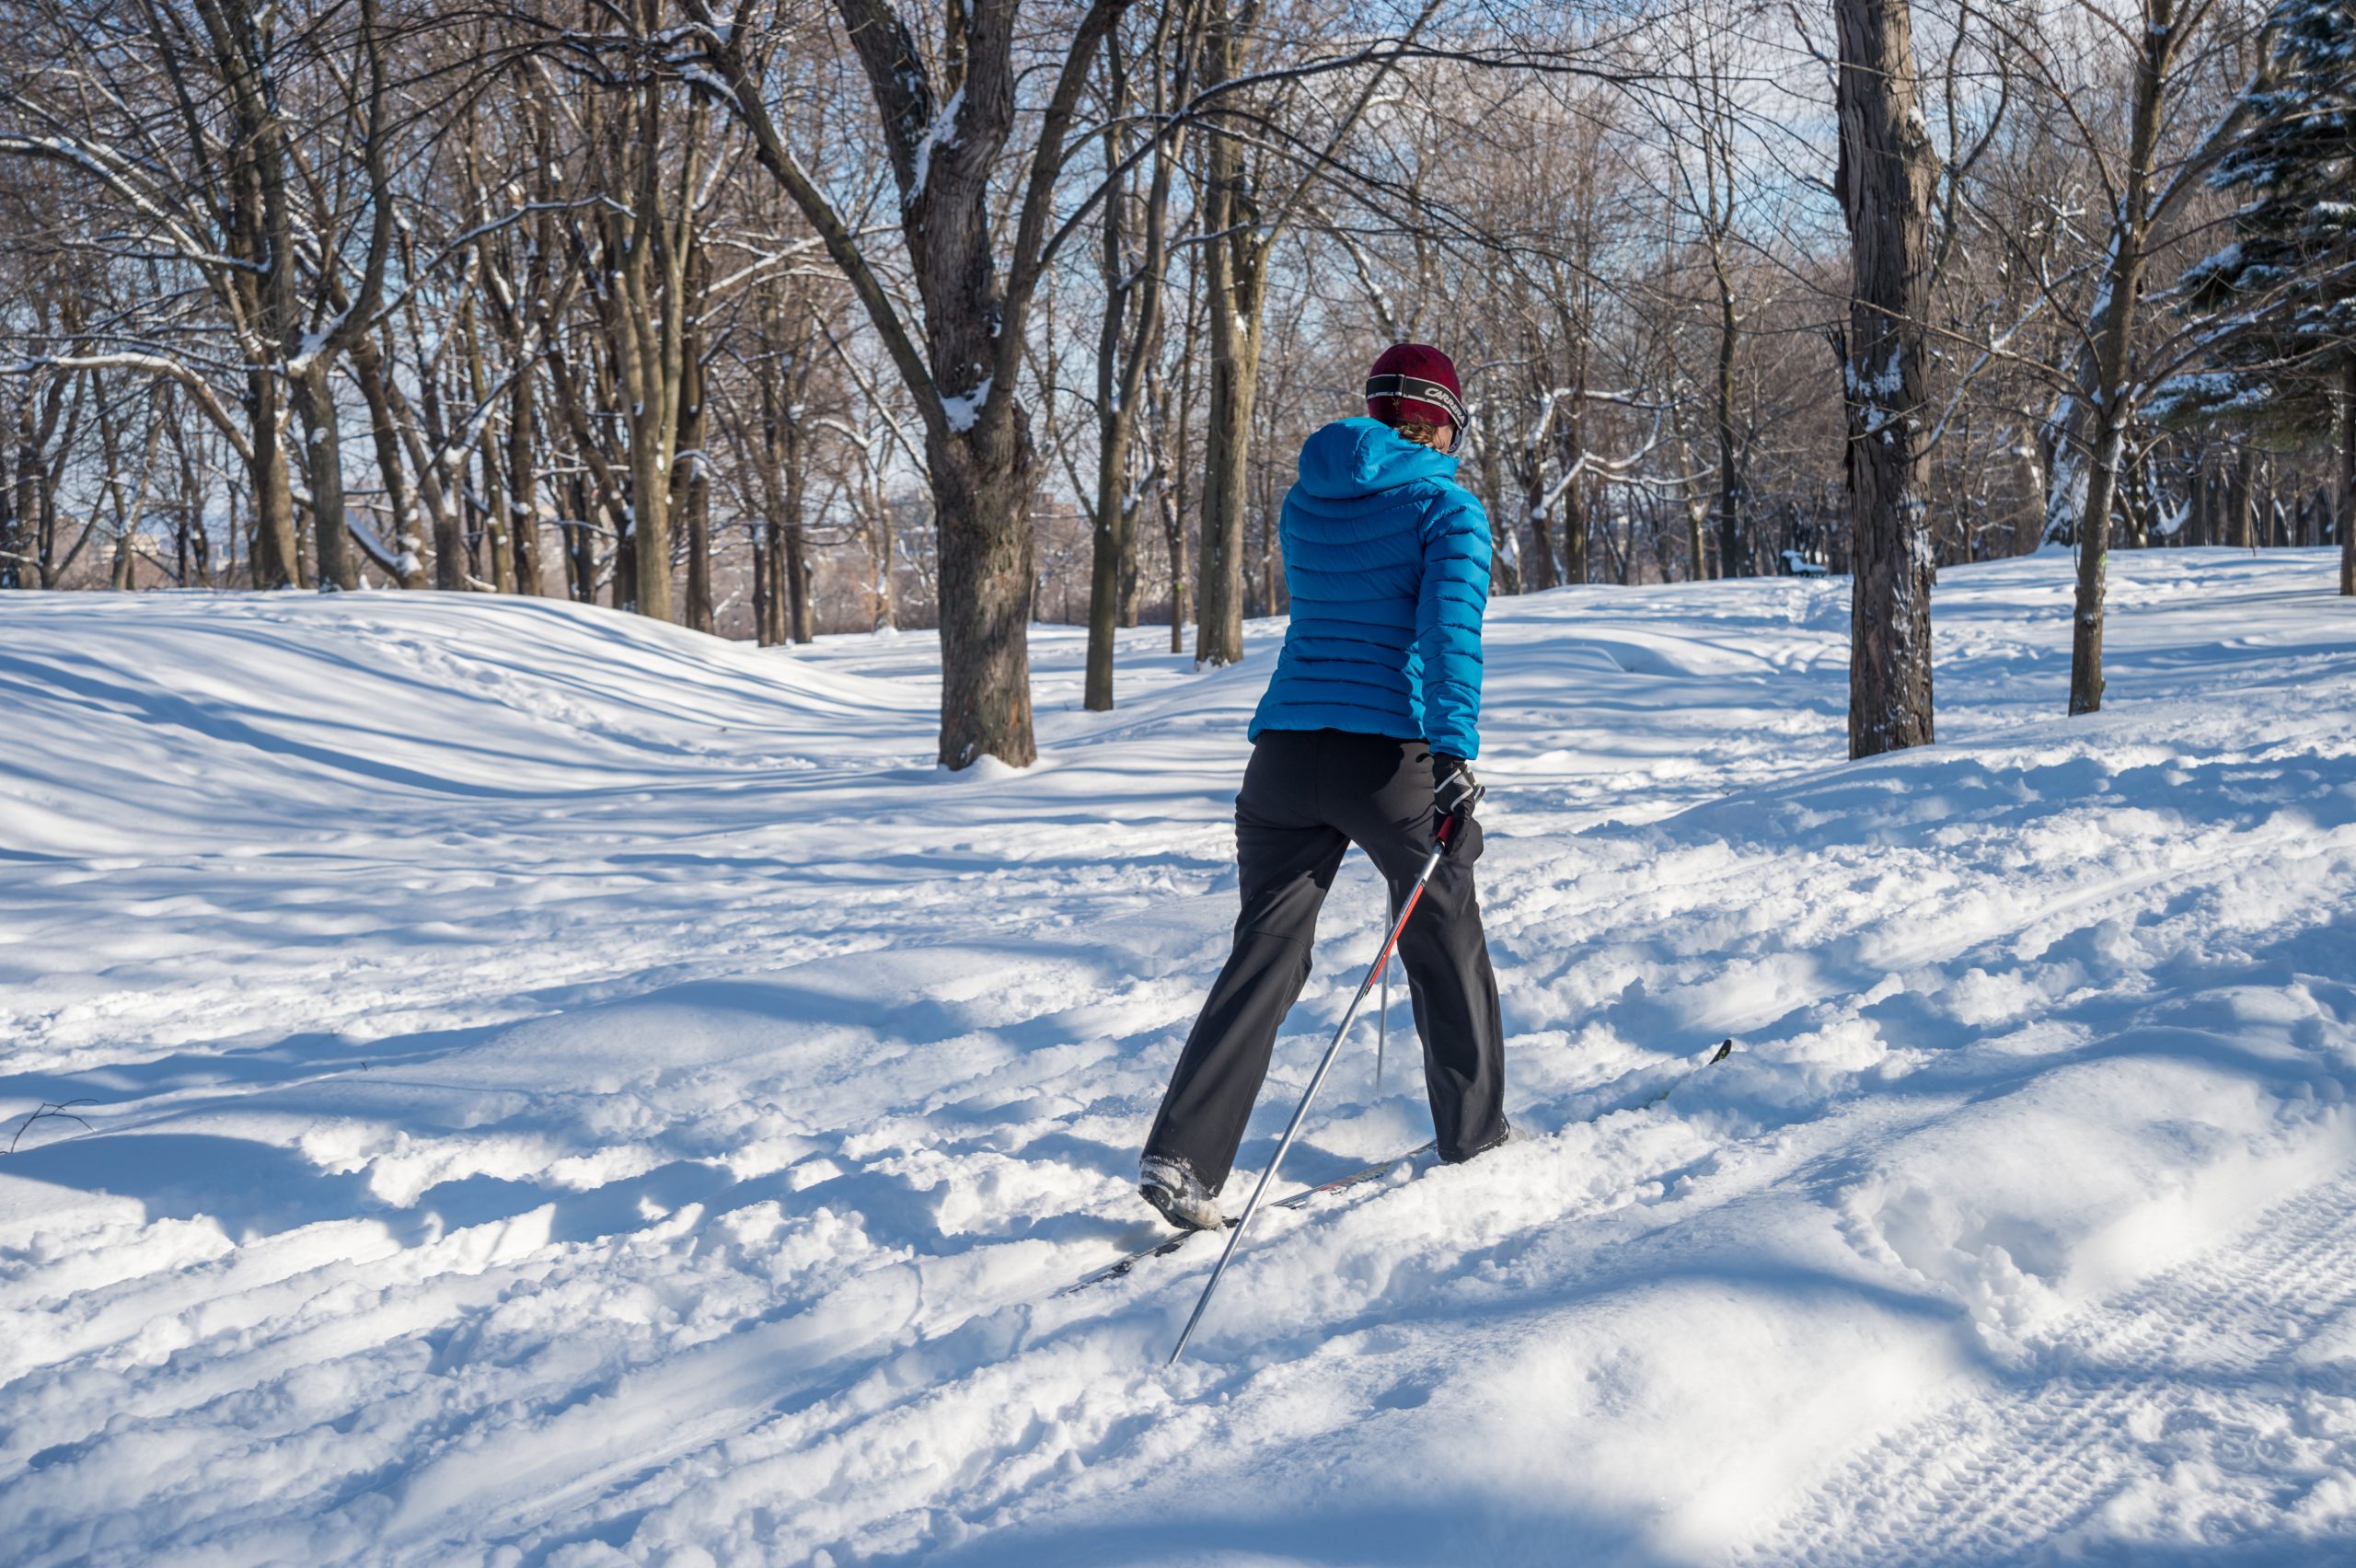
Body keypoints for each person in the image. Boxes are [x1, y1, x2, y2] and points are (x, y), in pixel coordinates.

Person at [1138, 342, 1507, 1231]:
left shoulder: (1308, 497)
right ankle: (1473, 1134)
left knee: (1265, 949)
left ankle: (1184, 1156)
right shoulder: (1447, 509)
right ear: (1444, 420)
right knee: (1442, 926)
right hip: (1387, 760)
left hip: (1283, 757)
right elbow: (1447, 635)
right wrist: (1454, 754)